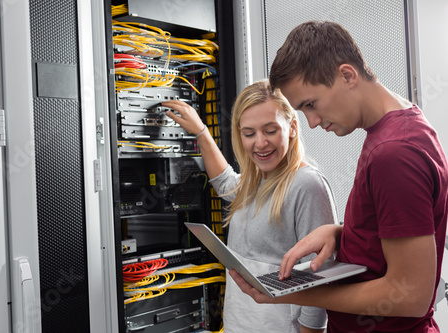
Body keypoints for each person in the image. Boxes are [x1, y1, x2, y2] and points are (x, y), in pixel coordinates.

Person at [229, 21, 448, 333]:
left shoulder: (394, 153)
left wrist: (292, 294)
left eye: (311, 105)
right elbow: (394, 231)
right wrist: (340, 232)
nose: (313, 122)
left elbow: (410, 294)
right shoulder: (398, 127)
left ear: (347, 75)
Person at [162, 79, 336, 333]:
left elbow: (318, 273)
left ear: (292, 128)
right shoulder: (256, 181)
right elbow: (225, 184)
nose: (260, 143)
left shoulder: (307, 184)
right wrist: (201, 132)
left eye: (270, 130)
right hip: (239, 324)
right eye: (249, 133)